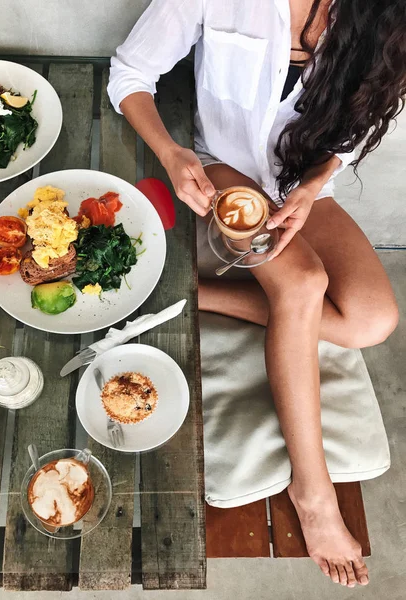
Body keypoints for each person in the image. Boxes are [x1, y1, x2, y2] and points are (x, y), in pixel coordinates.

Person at [108, 0, 406, 588]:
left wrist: (317, 181)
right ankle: (313, 489)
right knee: (303, 282)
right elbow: (130, 75)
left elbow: (370, 111)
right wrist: (173, 154)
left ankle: (203, 296)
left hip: (298, 182)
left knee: (372, 320)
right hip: (227, 170)